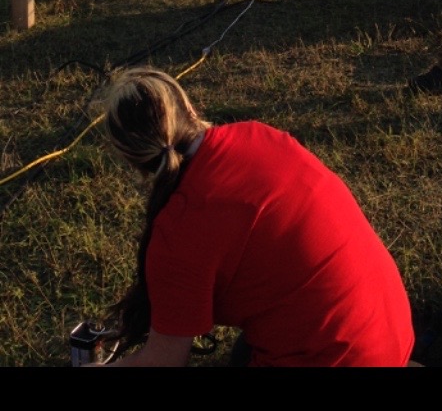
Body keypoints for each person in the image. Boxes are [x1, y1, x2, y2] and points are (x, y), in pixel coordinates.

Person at [89, 67, 415, 367]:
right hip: (392, 329)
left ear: (129, 161)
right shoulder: (259, 135)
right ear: (189, 110)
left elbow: (162, 361)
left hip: (340, 356)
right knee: (245, 352)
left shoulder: (177, 235)